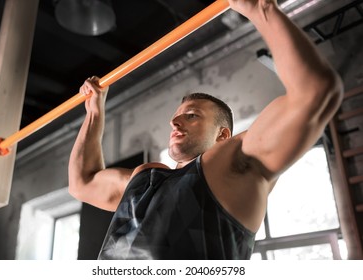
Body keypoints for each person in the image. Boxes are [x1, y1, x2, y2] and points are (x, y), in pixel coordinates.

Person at [68, 0, 343, 259]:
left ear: (223, 135)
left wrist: (260, 8)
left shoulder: (232, 164)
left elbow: (314, 92)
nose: (175, 123)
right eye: (175, 118)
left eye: (191, 116)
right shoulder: (143, 178)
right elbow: (83, 183)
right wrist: (94, 113)